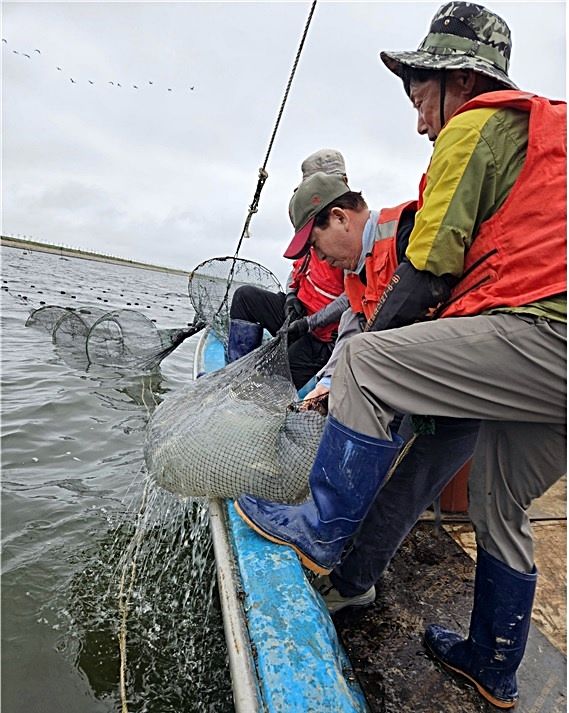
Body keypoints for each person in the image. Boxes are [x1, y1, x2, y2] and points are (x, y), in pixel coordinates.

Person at [235, 2, 567, 708]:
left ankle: (317, 534)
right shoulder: (546, 142)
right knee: (498, 504)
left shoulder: (476, 125)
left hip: (545, 340)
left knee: (363, 363)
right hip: (542, 365)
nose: (420, 120)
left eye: (420, 96)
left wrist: (357, 370)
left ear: (457, 82)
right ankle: (492, 663)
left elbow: (428, 271)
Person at [228, 149, 349, 391]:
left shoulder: (347, 231)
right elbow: (297, 270)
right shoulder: (310, 218)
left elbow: (351, 300)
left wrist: (309, 323)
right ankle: (235, 373)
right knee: (246, 297)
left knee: (269, 384)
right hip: (296, 314)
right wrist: (291, 298)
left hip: (321, 336)